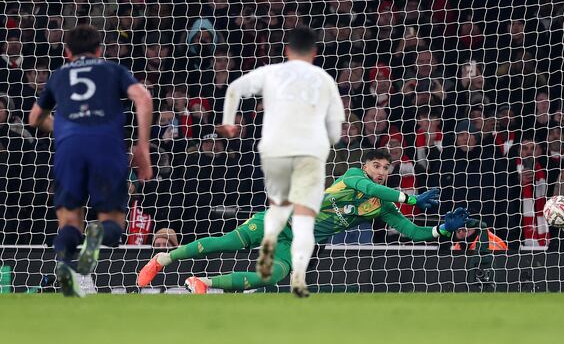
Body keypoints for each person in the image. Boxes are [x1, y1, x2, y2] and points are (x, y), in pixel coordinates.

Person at [136, 149, 454, 293]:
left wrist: (440, 229)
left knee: (273, 275)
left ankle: (203, 283)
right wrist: (411, 198)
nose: (381, 171)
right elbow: (367, 187)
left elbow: (410, 230)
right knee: (225, 243)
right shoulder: (355, 176)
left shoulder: (383, 206)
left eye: (387, 168)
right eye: (377, 165)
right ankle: (164, 258)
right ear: (366, 165)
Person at [215, 26, 345, 298]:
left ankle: (269, 242)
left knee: (277, 207)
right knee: (304, 220)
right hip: (309, 152)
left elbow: (234, 88)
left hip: (275, 150)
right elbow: (335, 132)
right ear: (315, 52)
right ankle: (298, 277)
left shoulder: (272, 72)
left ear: (286, 51)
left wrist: (228, 122)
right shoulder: (324, 79)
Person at [27, 24, 153, 297]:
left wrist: (64, 128)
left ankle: (64, 267)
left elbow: (34, 118)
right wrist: (143, 147)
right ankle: (96, 239)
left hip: (69, 148)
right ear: (99, 51)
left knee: (69, 223)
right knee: (113, 226)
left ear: (68, 53)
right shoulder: (112, 70)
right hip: (107, 146)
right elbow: (143, 98)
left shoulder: (59, 75)